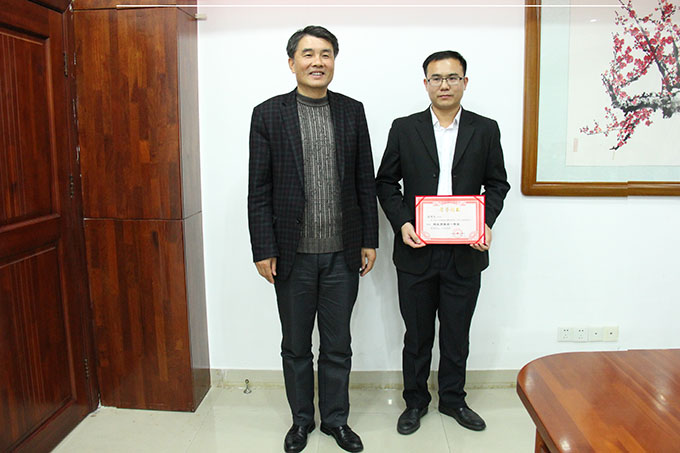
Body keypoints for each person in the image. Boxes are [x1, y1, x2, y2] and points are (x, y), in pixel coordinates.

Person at [247, 25, 378, 453]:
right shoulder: (268, 114)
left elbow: (364, 180)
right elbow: (259, 189)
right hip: (291, 256)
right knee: (296, 346)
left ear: (334, 61)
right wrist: (263, 248)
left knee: (338, 345)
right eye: (308, 54)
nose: (317, 62)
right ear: (292, 63)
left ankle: (336, 421)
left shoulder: (352, 111)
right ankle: (301, 421)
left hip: (343, 253)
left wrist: (369, 239)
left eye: (325, 54)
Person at [375, 50, 510, 436]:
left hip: (466, 252)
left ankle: (453, 400)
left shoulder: (485, 129)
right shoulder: (405, 128)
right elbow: (386, 182)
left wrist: (485, 222)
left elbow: (497, 184)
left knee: (456, 333)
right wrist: (402, 223)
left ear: (465, 82)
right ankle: (415, 402)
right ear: (426, 84)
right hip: (416, 249)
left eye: (452, 77)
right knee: (417, 336)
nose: (445, 85)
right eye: (436, 78)